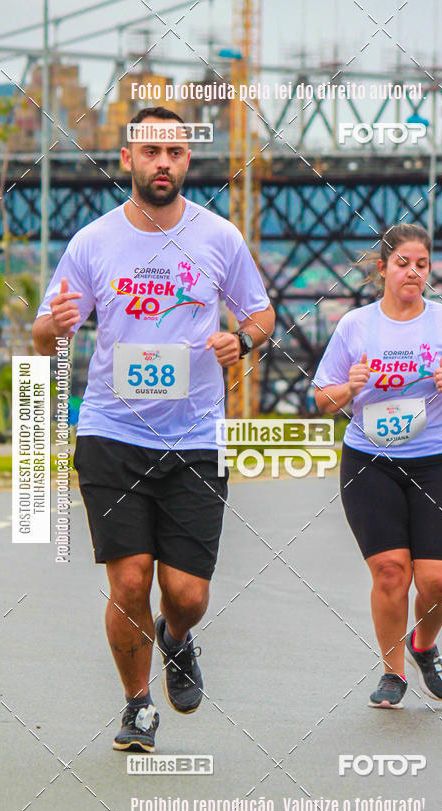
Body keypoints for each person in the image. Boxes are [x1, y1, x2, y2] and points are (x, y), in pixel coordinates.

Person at [33, 107, 275, 751]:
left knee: (186, 593)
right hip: (112, 432)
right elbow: (41, 338)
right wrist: (53, 327)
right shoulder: (93, 243)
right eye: (150, 152)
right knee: (130, 579)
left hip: (195, 435)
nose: (161, 162)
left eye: (173, 151)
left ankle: (177, 636)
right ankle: (137, 704)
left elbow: (261, 314)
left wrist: (240, 342)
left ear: (187, 162)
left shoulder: (219, 237)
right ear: (127, 160)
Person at [314, 223, 442, 709]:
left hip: (435, 461)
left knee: (439, 579)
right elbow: (323, 398)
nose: (413, 272)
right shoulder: (356, 326)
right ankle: (392, 671)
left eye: (422, 265)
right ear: (383, 269)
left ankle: (423, 644)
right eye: (403, 263)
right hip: (370, 461)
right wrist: (349, 388)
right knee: (392, 572)